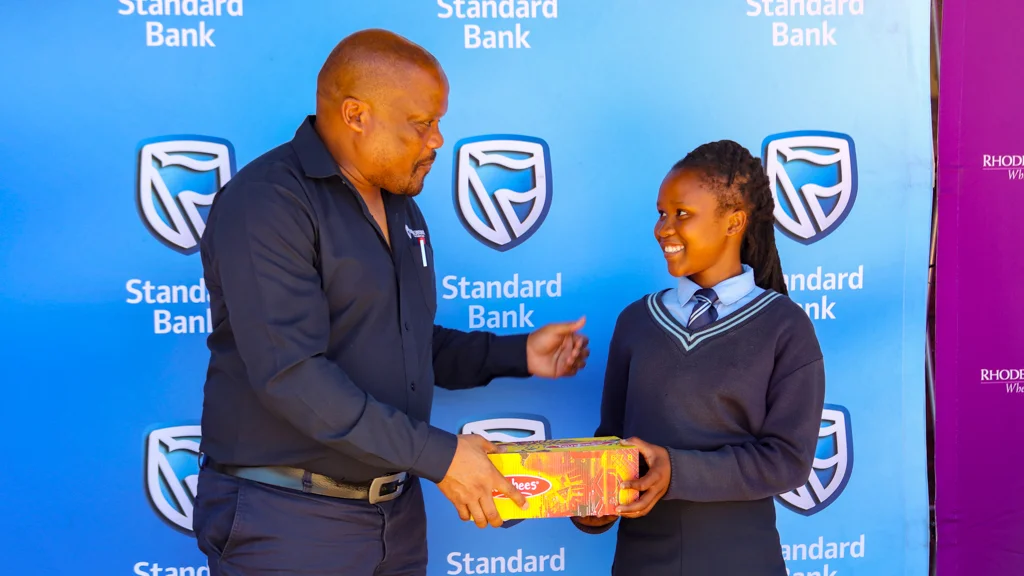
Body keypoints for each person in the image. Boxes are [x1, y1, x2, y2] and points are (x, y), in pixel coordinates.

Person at [192, 29, 590, 576]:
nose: (437, 140)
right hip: (289, 522)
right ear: (356, 114)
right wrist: (443, 457)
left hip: (395, 517)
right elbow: (293, 375)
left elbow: (401, 344)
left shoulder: (401, 206)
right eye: (422, 123)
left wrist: (518, 353)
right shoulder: (267, 202)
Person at [571, 141, 826, 575]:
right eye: (661, 213)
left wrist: (677, 471)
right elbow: (614, 442)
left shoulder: (785, 326)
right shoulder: (636, 321)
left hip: (742, 562)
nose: (663, 228)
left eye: (682, 214)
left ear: (734, 222)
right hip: (642, 563)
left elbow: (787, 460)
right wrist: (596, 505)